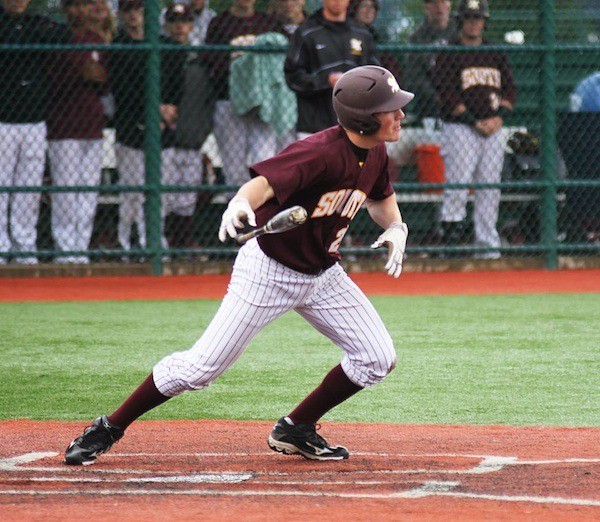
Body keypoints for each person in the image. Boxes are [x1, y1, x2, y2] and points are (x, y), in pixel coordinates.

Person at [63, 65, 414, 465]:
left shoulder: (376, 150)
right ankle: (109, 426)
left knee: (376, 357)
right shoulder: (319, 151)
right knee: (200, 369)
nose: (400, 114)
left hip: (323, 275)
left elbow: (381, 197)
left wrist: (396, 226)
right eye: (391, 108)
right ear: (364, 118)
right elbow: (262, 185)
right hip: (269, 271)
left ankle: (296, 428)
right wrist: (240, 202)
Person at [433, 0, 516, 258]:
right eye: (469, 18)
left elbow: (510, 90)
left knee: (490, 187)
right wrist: (473, 121)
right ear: (460, 21)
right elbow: (446, 92)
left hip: (493, 127)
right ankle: (451, 245)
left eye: (477, 18)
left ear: (484, 21)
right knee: (458, 184)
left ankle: (487, 245)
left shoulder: (495, 52)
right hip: (460, 128)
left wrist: (498, 118)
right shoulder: (450, 51)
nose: (473, 23)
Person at [108, 0, 184, 256]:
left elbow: (177, 85)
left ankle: (153, 240)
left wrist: (169, 108)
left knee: (160, 193)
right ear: (121, 14)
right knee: (132, 192)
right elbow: (123, 90)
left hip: (163, 130)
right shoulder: (118, 46)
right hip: (131, 129)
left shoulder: (169, 46)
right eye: (128, 10)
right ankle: (127, 244)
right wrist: (155, 108)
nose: (134, 15)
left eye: (139, 9)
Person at [0, 0, 66, 264]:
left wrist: (26, 33)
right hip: (3, 121)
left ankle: (25, 246)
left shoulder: (35, 22)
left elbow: (62, 36)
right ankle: (1, 246)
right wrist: (26, 35)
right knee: (2, 186)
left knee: (29, 188)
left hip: (35, 120)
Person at [47, 0, 109, 264]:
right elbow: (51, 81)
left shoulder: (96, 39)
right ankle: (65, 250)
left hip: (92, 125)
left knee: (88, 191)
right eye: (73, 6)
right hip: (63, 126)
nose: (79, 11)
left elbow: (105, 83)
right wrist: (80, 73)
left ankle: (80, 248)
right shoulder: (57, 39)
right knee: (66, 190)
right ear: (65, 10)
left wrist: (99, 76)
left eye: (83, 5)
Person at [204, 0, 281, 190]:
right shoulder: (219, 22)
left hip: (263, 102)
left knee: (264, 161)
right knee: (233, 166)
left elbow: (281, 60)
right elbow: (210, 61)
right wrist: (240, 65)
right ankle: (236, 207)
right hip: (229, 99)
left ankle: (262, 207)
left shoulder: (268, 23)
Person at [284, 0, 379, 138]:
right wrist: (326, 81)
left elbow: (376, 76)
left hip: (355, 127)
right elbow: (293, 77)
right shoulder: (306, 32)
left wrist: (358, 82)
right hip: (313, 128)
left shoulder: (362, 34)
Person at [162, 2, 215, 249]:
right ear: (166, 26)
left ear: (192, 26)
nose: (179, 27)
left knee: (187, 195)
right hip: (165, 140)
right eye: (174, 22)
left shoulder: (200, 59)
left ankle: (183, 241)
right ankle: (165, 239)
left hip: (192, 138)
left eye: (184, 22)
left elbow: (208, 101)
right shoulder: (160, 56)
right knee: (165, 194)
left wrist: (201, 131)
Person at [405, 0, 455, 123]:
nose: (439, 7)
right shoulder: (417, 37)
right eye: (434, 3)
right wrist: (439, 97)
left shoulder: (458, 31)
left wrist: (454, 98)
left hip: (458, 97)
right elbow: (416, 75)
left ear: (449, 4)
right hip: (429, 103)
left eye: (443, 2)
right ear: (425, 8)